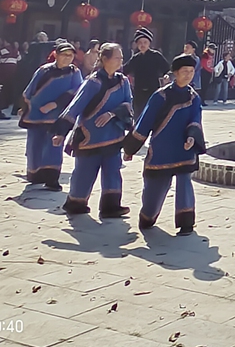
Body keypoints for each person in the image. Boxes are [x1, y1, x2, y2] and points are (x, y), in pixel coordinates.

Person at [124, 54, 206, 235]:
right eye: (184, 71)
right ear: (175, 73)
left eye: (191, 72)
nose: (188, 75)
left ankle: (186, 223)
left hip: (184, 148)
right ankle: (148, 216)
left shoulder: (194, 98)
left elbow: (195, 119)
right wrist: (130, 148)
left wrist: (192, 137)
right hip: (162, 148)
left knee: (185, 183)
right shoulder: (160, 96)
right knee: (155, 187)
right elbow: (144, 122)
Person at [55, 43, 134, 217]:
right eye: (117, 57)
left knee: (113, 171)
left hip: (113, 135)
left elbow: (128, 104)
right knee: (84, 172)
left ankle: (111, 207)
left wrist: (112, 114)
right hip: (90, 136)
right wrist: (61, 132)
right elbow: (75, 107)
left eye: (121, 57)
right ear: (104, 59)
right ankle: (76, 203)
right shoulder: (93, 82)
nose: (121, 61)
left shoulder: (123, 81)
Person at [20, 39, 82, 190]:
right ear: (56, 55)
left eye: (70, 55)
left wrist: (55, 104)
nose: (67, 57)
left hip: (57, 116)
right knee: (35, 145)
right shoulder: (43, 70)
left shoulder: (74, 72)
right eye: (64, 54)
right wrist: (25, 107)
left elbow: (77, 92)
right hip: (36, 114)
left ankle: (51, 179)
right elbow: (29, 91)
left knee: (54, 145)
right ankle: (35, 174)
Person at [123, 28, 170, 116]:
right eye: (140, 43)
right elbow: (125, 70)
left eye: (145, 42)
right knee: (138, 116)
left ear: (149, 43)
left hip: (153, 90)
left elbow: (167, 69)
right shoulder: (135, 58)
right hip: (138, 92)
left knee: (153, 115)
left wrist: (167, 76)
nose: (142, 45)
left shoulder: (156, 55)